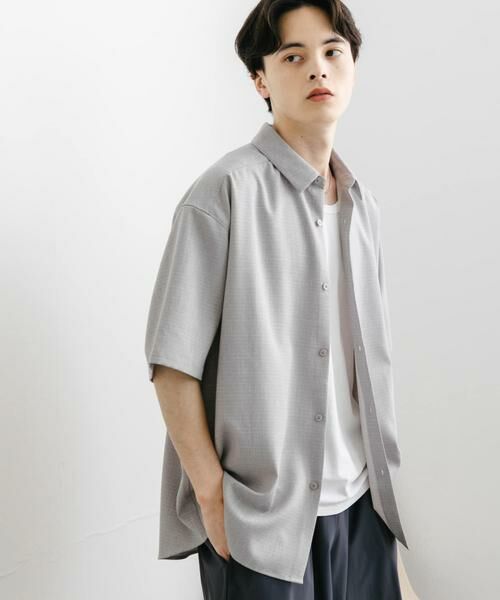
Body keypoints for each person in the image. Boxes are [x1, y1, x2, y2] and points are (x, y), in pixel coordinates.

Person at [144, 1, 410, 598]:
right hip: (262, 523)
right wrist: (213, 499)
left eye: (332, 51)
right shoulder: (224, 192)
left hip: (364, 507)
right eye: (293, 56)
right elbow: (172, 365)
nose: (318, 68)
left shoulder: (362, 206)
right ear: (260, 80)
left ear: (353, 66)